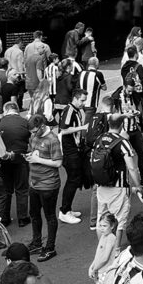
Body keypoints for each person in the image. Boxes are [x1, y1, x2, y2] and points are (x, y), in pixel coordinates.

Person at [94, 115, 142, 251]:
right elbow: (132, 167)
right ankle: (115, 251)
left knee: (101, 219)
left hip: (101, 185)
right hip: (118, 187)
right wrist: (137, 185)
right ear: (121, 125)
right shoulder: (122, 142)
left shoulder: (100, 139)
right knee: (119, 221)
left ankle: (102, 248)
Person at [25, 114, 61, 262]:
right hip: (34, 182)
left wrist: (37, 159)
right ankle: (37, 242)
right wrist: (29, 156)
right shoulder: (34, 137)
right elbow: (33, 152)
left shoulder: (52, 139)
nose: (33, 135)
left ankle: (50, 247)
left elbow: (58, 162)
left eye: (35, 131)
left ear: (42, 126)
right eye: (31, 132)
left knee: (50, 216)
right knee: (34, 214)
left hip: (48, 185)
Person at [0, 102, 32, 228]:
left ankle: (4, 218)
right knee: (22, 189)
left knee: (6, 190)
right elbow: (31, 140)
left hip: (4, 159)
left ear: (5, 110)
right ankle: (23, 218)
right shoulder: (24, 122)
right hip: (21, 158)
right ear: (17, 110)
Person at [59, 89, 89, 224]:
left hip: (75, 149)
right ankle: (64, 211)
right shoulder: (69, 110)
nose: (83, 103)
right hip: (70, 151)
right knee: (72, 181)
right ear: (75, 99)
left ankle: (67, 209)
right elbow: (64, 129)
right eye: (82, 100)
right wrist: (82, 128)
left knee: (74, 180)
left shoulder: (76, 110)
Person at [112, 77, 143, 175]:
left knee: (142, 153)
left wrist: (137, 113)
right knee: (122, 156)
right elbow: (113, 116)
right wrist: (124, 115)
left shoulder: (134, 94)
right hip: (123, 131)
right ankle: (121, 178)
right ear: (124, 87)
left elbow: (140, 110)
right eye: (129, 91)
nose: (130, 93)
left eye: (132, 91)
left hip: (134, 129)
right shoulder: (116, 97)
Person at [88, 212, 117, 284]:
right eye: (100, 225)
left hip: (105, 272)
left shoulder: (111, 238)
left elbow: (105, 258)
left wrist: (94, 269)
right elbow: (98, 254)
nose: (101, 228)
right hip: (100, 270)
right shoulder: (103, 236)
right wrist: (92, 266)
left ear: (112, 226)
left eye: (104, 226)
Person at [78, 57, 107, 126]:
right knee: (87, 124)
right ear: (96, 64)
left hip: (82, 101)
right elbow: (104, 88)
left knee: (88, 121)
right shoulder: (98, 74)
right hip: (91, 103)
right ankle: (84, 136)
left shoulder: (82, 73)